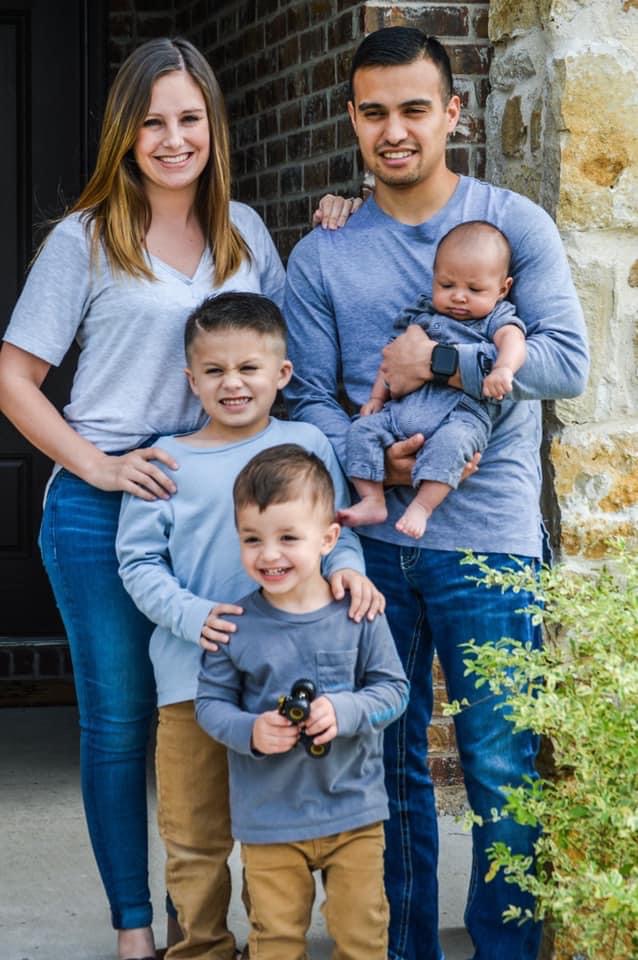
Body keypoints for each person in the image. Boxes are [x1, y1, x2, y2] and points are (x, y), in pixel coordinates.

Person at [0, 36, 358, 960]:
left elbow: (284, 354)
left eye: (189, 119)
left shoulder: (245, 231)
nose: (172, 138)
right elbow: (14, 378)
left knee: (229, 706)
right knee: (122, 719)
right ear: (126, 133)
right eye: (152, 121)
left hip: (233, 509)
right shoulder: (84, 239)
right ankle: (135, 927)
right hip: (105, 501)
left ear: (213, 126)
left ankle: (246, 916)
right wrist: (100, 466)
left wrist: (344, 223)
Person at [283, 26, 589, 960]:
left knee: (500, 769)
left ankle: (505, 951)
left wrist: (443, 360)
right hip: (372, 550)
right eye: (374, 112)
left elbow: (566, 363)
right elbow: (304, 397)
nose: (395, 130)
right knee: (390, 768)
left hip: (490, 546)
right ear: (352, 120)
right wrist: (380, 463)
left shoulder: (514, 224)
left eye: (415, 108)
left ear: (452, 113)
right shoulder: (322, 252)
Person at [116, 291, 384, 959]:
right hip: (192, 679)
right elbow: (138, 560)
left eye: (249, 368)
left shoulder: (307, 442)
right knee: (196, 834)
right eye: (213, 371)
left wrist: (349, 567)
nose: (232, 384)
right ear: (190, 380)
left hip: (298, 676)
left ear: (282, 375)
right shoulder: (165, 459)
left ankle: (274, 940)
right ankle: (202, 947)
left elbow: (337, 531)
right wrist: (194, 613)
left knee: (278, 841)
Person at [195, 444, 409, 960]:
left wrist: (346, 710)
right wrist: (250, 731)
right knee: (275, 940)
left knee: (362, 938)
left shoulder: (359, 613)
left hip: (353, 813)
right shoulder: (234, 626)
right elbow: (210, 704)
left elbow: (394, 692)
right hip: (270, 819)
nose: (269, 555)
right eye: (252, 539)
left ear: (328, 539)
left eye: (288, 537)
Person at [340, 220, 525, 538]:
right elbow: (391, 359)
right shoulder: (422, 314)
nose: (459, 297)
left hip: (461, 415)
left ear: (502, 288)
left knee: (452, 447)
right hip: (402, 410)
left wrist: (503, 370)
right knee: (360, 431)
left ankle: (423, 507)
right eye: (447, 285)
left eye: (474, 289)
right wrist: (376, 399)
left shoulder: (497, 317)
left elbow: (514, 341)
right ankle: (372, 498)